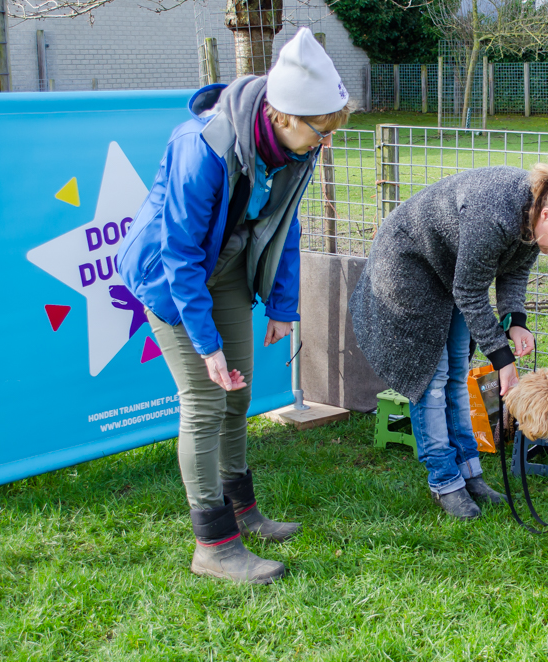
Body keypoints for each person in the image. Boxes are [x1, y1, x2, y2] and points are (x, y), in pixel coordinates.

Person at [117, 27, 351, 584]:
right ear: (284, 116)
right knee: (204, 398)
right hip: (170, 279)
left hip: (226, 269)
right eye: (321, 131)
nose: (326, 142)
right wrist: (206, 343)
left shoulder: (299, 150)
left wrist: (283, 306)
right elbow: (178, 253)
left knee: (238, 391)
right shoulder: (201, 147)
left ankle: (244, 512)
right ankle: (215, 545)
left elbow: (286, 225)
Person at [349, 161, 548, 520]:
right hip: (410, 266)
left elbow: (515, 268)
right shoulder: (494, 210)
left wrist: (515, 322)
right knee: (432, 378)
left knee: (458, 370)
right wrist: (502, 358)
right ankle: (444, 481)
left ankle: (470, 475)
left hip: (450, 271)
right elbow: (470, 292)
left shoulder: (536, 214)